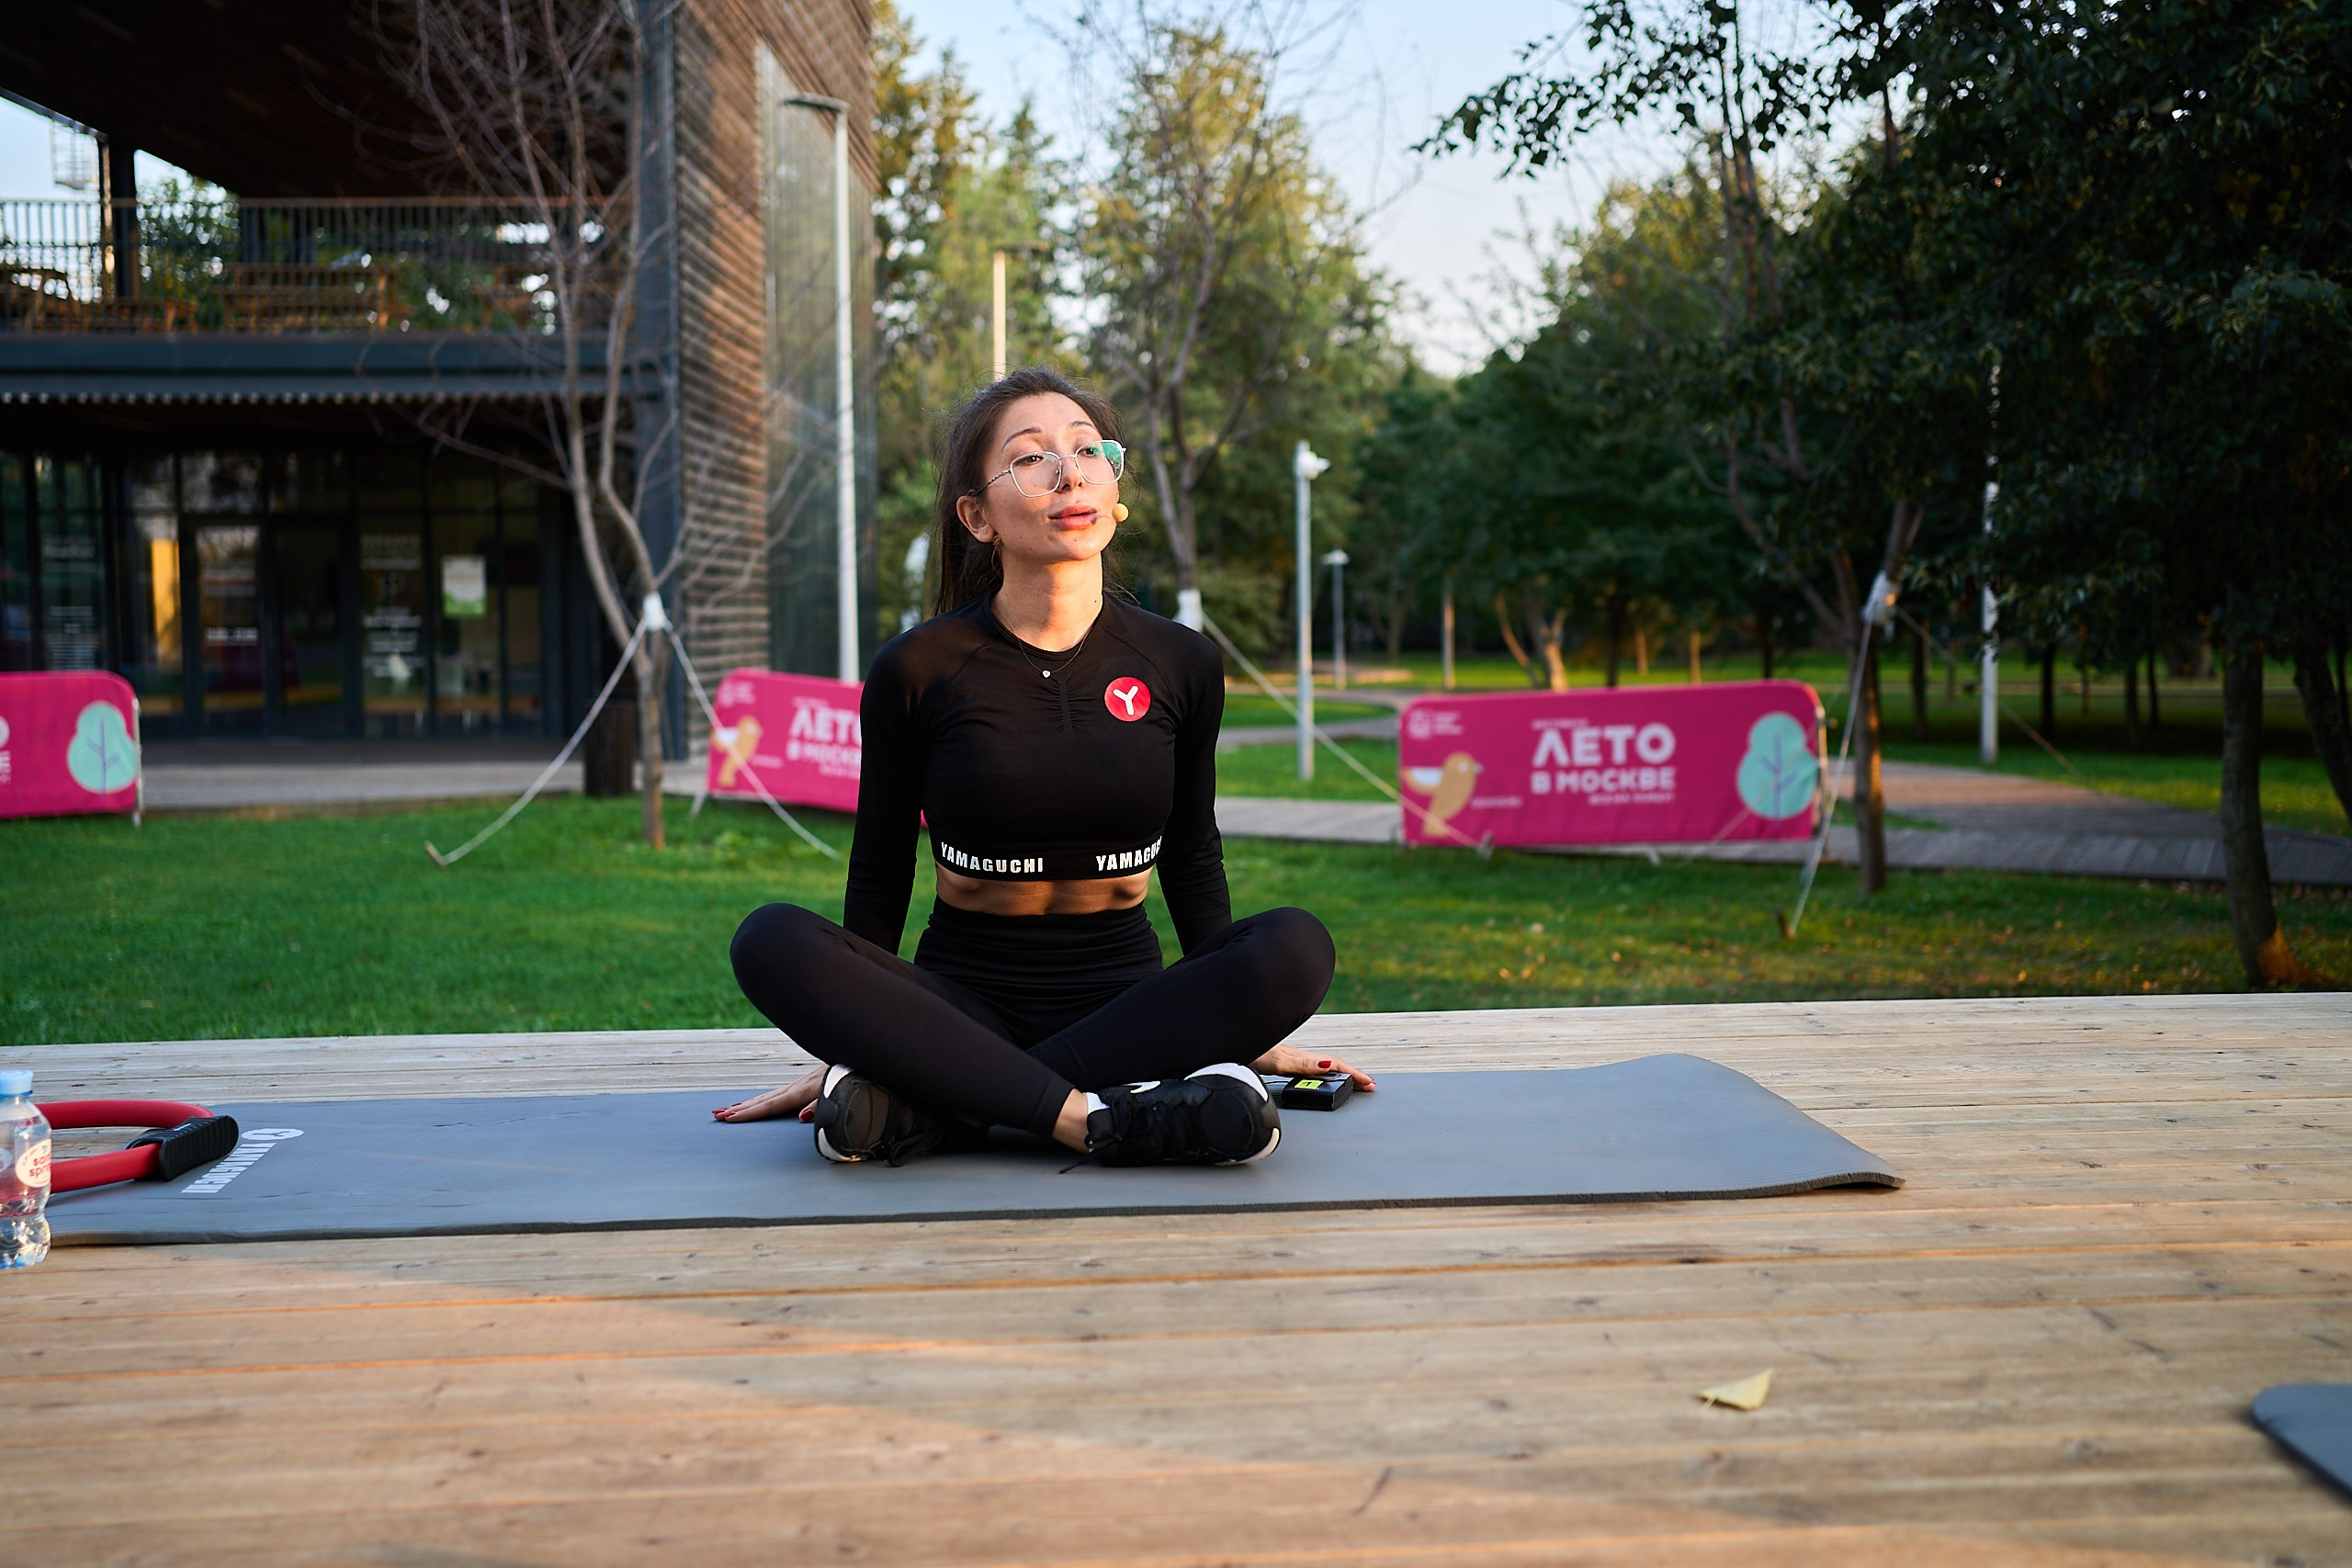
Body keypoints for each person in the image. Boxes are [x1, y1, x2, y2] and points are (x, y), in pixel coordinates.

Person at [719, 368, 1371, 1167]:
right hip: (959, 1003)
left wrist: (1242, 1026)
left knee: (1296, 944)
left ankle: (945, 1101)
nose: (1069, 472)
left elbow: (1194, 854)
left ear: (1112, 485)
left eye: (1088, 450)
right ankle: (1097, 1117)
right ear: (977, 516)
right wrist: (857, 1029)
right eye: (1031, 458)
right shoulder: (920, 668)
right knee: (769, 938)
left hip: (1129, 1005)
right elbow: (881, 866)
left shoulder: (1182, 660)